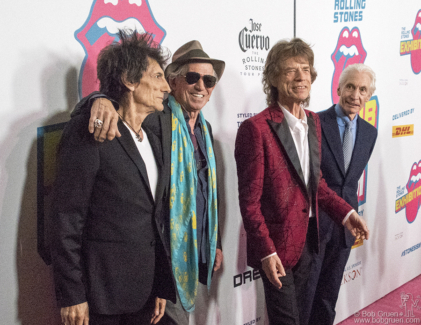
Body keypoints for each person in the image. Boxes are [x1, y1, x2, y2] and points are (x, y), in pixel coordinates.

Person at [71, 40, 224, 324]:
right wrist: (97, 99)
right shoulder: (158, 120)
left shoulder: (204, 128)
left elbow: (205, 191)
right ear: (174, 81)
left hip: (166, 269)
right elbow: (67, 217)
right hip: (118, 285)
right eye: (192, 77)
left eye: (209, 80)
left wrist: (214, 242)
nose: (201, 86)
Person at [234, 38, 370, 325]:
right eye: (291, 70)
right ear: (273, 77)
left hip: (311, 242)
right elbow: (249, 202)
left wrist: (346, 213)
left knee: (307, 317)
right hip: (277, 249)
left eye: (306, 70)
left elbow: (317, 185)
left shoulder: (313, 122)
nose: (300, 77)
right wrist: (266, 251)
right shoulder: (255, 129)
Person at [51, 30, 176, 325]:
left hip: (145, 293)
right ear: (130, 81)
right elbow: (66, 218)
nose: (167, 87)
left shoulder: (156, 133)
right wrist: (72, 294)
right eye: (158, 77)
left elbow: (154, 218)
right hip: (100, 298)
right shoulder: (91, 130)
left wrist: (160, 282)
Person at [302, 63, 378, 325]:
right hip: (315, 222)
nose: (355, 95)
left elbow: (351, 181)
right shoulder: (314, 122)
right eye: (350, 87)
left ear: (369, 96)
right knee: (306, 294)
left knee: (328, 295)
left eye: (362, 90)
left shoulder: (370, 132)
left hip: (346, 225)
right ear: (338, 88)